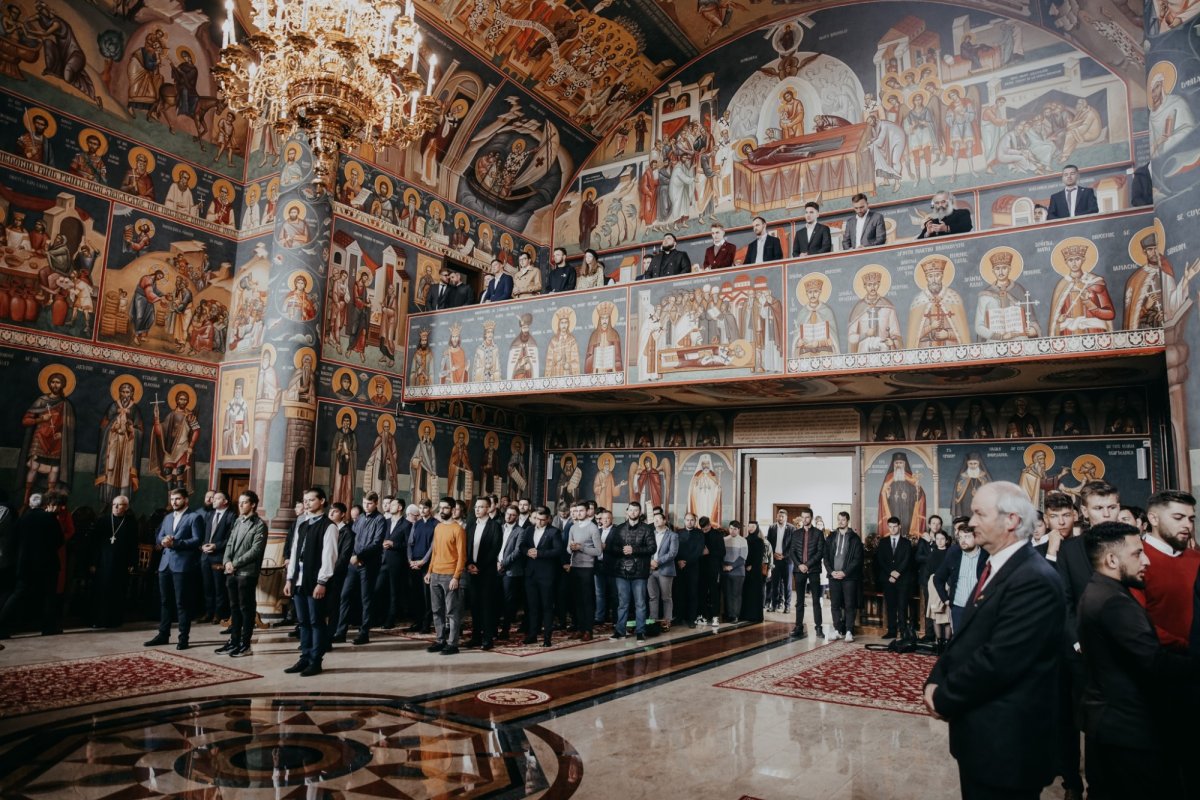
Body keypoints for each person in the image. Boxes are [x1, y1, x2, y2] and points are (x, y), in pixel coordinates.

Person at [924, 482, 1065, 800]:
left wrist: (943, 697)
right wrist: (934, 679)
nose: (970, 523)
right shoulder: (997, 567)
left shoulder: (1033, 579)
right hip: (982, 741)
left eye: (978, 513)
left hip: (1008, 746)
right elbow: (967, 638)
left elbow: (999, 661)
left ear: (1011, 520)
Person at [1078, 522, 1200, 797]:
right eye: (1137, 553)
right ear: (1111, 559)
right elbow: (1155, 663)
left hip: (1109, 723)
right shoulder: (1114, 602)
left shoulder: (1099, 590)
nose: (1145, 560)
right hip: (1128, 730)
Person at [1134, 490, 1199, 650]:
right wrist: (1187, 646)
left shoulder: (1196, 558)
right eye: (1178, 518)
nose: (1187, 525)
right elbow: (1135, 620)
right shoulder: (1136, 559)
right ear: (1153, 518)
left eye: (1191, 519)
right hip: (1159, 659)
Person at [283, 488, 338, 677]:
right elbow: (294, 552)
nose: (307, 503)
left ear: (322, 501)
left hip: (315, 580)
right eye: (305, 500)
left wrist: (322, 582)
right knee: (303, 621)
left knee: (316, 621)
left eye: (311, 500)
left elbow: (329, 557)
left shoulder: (328, 526)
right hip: (298, 578)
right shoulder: (302, 525)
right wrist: (289, 579)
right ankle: (304, 656)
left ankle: (316, 660)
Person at [145, 488, 203, 650]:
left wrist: (175, 543)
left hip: (183, 566)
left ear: (186, 500)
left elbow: (197, 540)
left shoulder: (194, 517)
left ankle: (183, 638)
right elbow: (159, 535)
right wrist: (163, 540)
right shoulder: (168, 517)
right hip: (165, 564)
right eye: (172, 499)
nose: (174, 502)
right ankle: (163, 635)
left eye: (177, 499)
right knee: (164, 601)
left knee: (182, 603)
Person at [0, 493, 62, 639]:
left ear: (30, 503)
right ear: (44, 504)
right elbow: (59, 541)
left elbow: (12, 542)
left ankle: (1, 627)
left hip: (25, 564)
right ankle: (48, 628)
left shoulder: (21, 519)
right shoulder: (50, 518)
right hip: (47, 564)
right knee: (49, 596)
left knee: (17, 595)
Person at [215, 491, 266, 657]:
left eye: (245, 502)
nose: (241, 505)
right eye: (240, 502)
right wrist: (227, 562)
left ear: (253, 504)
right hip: (231, 571)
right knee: (234, 607)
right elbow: (229, 544)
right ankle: (234, 641)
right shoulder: (237, 521)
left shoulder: (259, 525)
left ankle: (245, 644)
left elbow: (256, 550)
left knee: (246, 608)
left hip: (246, 572)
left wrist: (235, 564)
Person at [338, 492, 385, 645]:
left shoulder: (380, 520)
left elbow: (377, 543)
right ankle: (340, 632)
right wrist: (353, 555)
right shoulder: (359, 519)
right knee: (345, 595)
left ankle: (364, 633)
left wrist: (359, 556)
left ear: (376, 503)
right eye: (364, 503)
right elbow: (352, 539)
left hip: (368, 564)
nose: (366, 506)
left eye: (369, 503)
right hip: (353, 564)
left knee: (366, 600)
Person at [86, 495, 138, 628]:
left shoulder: (130, 523)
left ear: (126, 507)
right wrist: (93, 562)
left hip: (121, 564)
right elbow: (94, 544)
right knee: (100, 591)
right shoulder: (102, 521)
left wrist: (132, 563)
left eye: (119, 505)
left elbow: (133, 545)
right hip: (102, 562)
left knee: (118, 592)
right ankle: (98, 620)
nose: (115, 507)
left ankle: (115, 620)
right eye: (114, 504)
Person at [606, 502, 655, 640]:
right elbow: (611, 548)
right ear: (627, 512)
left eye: (636, 510)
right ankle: (620, 631)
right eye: (631, 510)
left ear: (639, 512)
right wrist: (622, 550)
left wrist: (634, 550)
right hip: (621, 571)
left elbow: (652, 548)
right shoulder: (619, 528)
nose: (633, 512)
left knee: (640, 603)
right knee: (622, 603)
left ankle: (640, 632)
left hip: (640, 572)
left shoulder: (647, 529)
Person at [425, 497, 468, 655]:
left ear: (452, 509)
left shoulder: (458, 529)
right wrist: (429, 571)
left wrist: (456, 577)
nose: (441, 511)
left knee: (452, 611)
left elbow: (462, 556)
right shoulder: (438, 528)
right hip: (435, 573)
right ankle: (440, 640)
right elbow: (435, 551)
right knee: (436, 610)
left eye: (445, 508)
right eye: (440, 508)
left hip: (450, 574)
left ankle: (452, 643)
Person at [523, 506, 564, 646]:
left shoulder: (554, 532)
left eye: (542, 520)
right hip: (530, 574)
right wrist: (528, 551)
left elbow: (558, 551)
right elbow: (522, 546)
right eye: (537, 519)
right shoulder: (529, 530)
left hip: (546, 574)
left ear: (548, 519)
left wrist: (539, 553)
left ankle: (547, 637)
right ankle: (533, 634)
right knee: (532, 606)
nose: (539, 522)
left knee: (547, 606)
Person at [565, 501, 602, 641]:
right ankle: (580, 628)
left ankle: (588, 630)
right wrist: (572, 547)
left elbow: (598, 551)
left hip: (587, 567)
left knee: (587, 600)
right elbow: (568, 548)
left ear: (587, 511)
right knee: (577, 600)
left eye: (581, 511)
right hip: (574, 566)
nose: (578, 513)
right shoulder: (573, 527)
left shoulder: (593, 528)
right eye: (576, 511)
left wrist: (581, 548)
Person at [825, 511, 862, 641]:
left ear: (848, 521)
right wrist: (831, 572)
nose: (840, 522)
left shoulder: (855, 538)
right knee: (835, 605)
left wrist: (845, 572)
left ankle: (849, 631)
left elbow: (857, 559)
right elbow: (826, 557)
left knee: (849, 605)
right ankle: (837, 630)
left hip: (849, 578)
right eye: (839, 519)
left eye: (843, 520)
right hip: (833, 576)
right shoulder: (831, 537)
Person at [875, 516, 914, 639]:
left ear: (899, 526)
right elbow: (881, 560)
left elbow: (907, 560)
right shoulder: (883, 542)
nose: (892, 529)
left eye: (895, 526)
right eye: (890, 527)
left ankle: (902, 631)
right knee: (890, 606)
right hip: (888, 579)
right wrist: (891, 573)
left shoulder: (906, 543)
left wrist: (897, 572)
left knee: (902, 606)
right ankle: (891, 631)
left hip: (903, 580)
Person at [788, 509, 825, 638]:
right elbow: (792, 551)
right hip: (799, 570)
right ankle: (798, 627)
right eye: (803, 517)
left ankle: (819, 628)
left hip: (813, 570)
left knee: (816, 600)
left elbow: (820, 552)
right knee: (799, 600)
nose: (804, 520)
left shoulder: (819, 534)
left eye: (807, 517)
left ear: (811, 518)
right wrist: (800, 565)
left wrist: (807, 565)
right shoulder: (796, 533)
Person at [199, 492, 233, 625]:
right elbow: (203, 534)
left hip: (219, 556)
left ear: (225, 502)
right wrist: (203, 546)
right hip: (205, 556)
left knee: (219, 587)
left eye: (217, 498)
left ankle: (219, 614)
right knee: (207, 587)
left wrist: (215, 546)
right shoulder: (209, 514)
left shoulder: (231, 516)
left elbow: (230, 538)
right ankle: (208, 612)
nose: (213, 500)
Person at [379, 498, 412, 629]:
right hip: (383, 560)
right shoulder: (385, 522)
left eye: (393, 504)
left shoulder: (406, 524)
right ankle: (379, 617)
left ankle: (391, 619)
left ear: (400, 508)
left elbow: (408, 545)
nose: (389, 506)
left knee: (394, 592)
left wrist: (394, 544)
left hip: (397, 562)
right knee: (379, 589)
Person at [497, 504, 527, 640]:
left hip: (511, 570)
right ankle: (493, 628)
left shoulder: (520, 531)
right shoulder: (499, 527)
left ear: (517, 517)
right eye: (508, 514)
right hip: (495, 568)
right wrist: (496, 563)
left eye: (513, 515)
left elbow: (517, 551)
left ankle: (505, 629)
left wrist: (503, 564)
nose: (509, 516)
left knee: (509, 601)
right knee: (495, 599)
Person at [647, 507, 678, 630]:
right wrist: (650, 562)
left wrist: (658, 562)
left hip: (665, 570)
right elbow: (646, 550)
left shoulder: (672, 535)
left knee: (666, 597)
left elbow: (672, 553)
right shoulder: (650, 534)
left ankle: (667, 620)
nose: (656, 521)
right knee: (652, 597)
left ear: (664, 521)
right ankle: (653, 620)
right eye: (654, 519)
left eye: (659, 518)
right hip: (650, 569)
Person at [674, 512, 704, 628]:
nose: (689, 522)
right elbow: (674, 548)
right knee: (679, 593)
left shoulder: (699, 534)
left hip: (693, 568)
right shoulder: (678, 533)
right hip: (679, 567)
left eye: (692, 520)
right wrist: (678, 561)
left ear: (695, 521)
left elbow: (699, 551)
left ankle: (691, 619)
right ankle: (679, 617)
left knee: (692, 593)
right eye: (687, 520)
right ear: (684, 520)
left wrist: (686, 562)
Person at [765, 509, 793, 613]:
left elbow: (793, 545)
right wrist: (773, 555)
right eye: (779, 516)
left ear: (786, 517)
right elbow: (769, 543)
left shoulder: (791, 528)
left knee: (787, 584)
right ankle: (774, 605)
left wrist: (784, 555)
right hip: (775, 560)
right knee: (774, 583)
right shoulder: (772, 527)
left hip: (787, 561)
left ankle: (787, 606)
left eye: (782, 517)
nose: (780, 518)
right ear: (776, 517)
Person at [740, 520, 768, 623]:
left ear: (756, 528)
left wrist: (751, 566)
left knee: (755, 593)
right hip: (744, 569)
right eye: (749, 526)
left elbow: (759, 557)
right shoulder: (744, 540)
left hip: (755, 571)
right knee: (745, 592)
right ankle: (744, 615)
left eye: (753, 526)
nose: (751, 528)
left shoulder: (760, 541)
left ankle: (755, 616)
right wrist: (745, 565)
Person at [722, 521, 748, 621]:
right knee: (727, 594)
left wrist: (731, 567)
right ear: (729, 529)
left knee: (736, 594)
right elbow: (720, 554)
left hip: (738, 572)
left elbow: (743, 557)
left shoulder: (743, 541)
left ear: (739, 530)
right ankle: (728, 614)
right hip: (725, 570)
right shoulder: (724, 540)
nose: (733, 531)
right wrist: (723, 566)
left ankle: (735, 615)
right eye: (731, 528)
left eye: (735, 529)